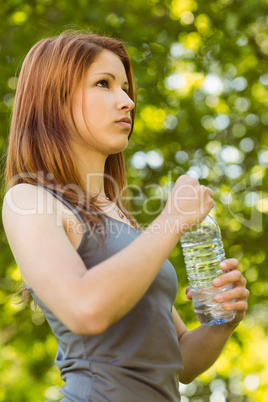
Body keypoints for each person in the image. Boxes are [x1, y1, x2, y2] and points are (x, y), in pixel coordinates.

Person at [2, 30, 249, 401]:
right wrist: (171, 219)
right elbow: (85, 310)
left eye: (126, 88)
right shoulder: (28, 200)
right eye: (104, 84)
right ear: (53, 100)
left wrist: (221, 325)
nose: (127, 101)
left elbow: (179, 360)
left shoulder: (121, 218)